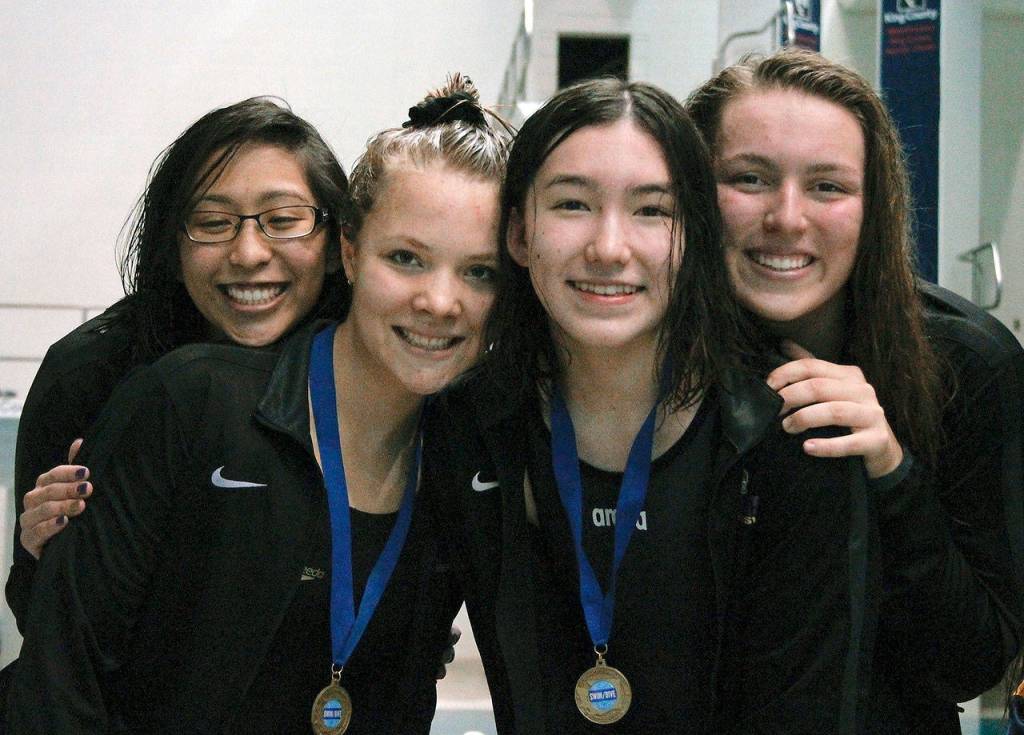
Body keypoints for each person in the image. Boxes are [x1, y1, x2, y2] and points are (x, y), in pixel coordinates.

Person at [8, 75, 510, 733]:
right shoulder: (159, 387)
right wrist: (51, 556)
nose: (439, 301)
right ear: (352, 250)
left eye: (480, 271)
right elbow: (58, 674)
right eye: (407, 258)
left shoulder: (463, 450)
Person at [425, 77, 883, 733]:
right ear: (520, 234)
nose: (610, 248)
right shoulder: (465, 425)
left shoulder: (791, 431)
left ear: (694, 236)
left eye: (651, 211)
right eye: (573, 204)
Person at [686, 48, 1024, 733]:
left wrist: (894, 476)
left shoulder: (968, 364)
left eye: (827, 187)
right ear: (692, 188)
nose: (787, 217)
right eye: (749, 178)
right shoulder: (651, 360)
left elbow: (976, 660)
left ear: (875, 207)